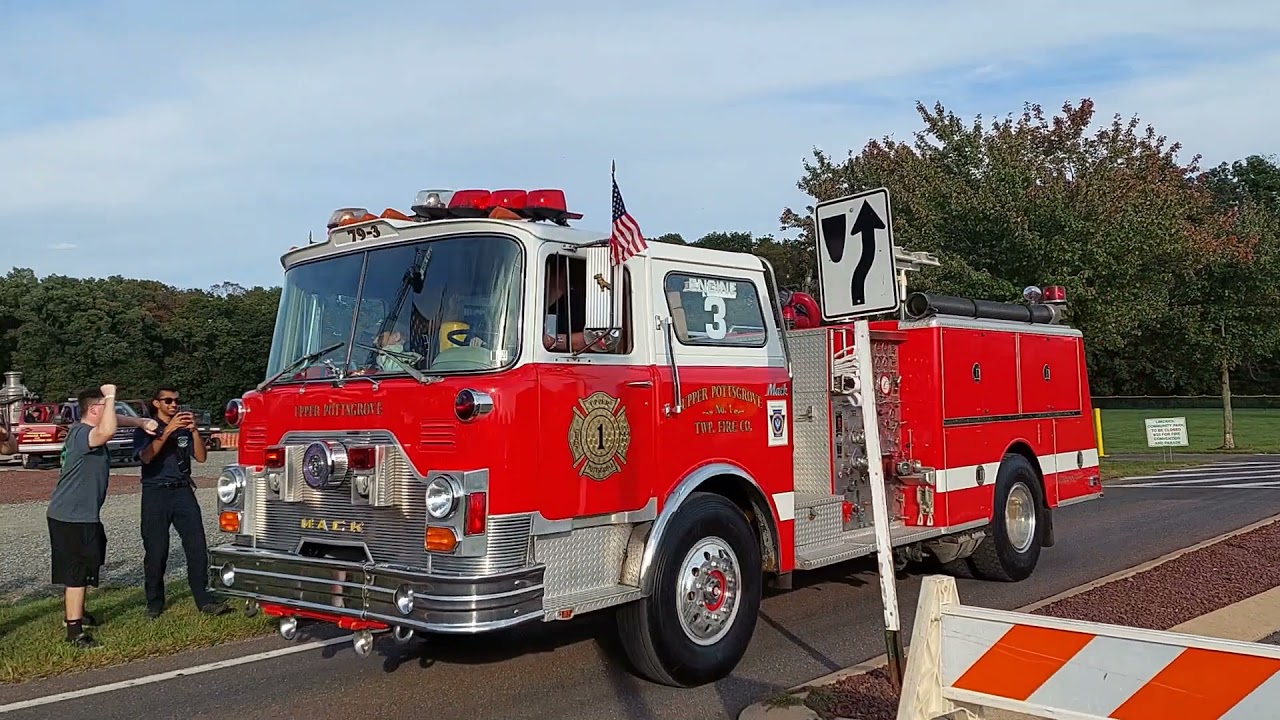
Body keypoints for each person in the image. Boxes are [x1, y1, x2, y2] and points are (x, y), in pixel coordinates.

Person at [47, 384, 159, 648]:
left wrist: (139, 421)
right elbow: (108, 428)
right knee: (76, 572)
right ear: (95, 409)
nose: (111, 411)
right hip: (71, 516)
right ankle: (74, 630)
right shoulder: (82, 434)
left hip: (82, 514)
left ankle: (78, 614)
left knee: (86, 565)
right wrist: (110, 395)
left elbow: (113, 421)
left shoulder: (87, 430)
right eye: (106, 407)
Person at [132, 385, 230, 618]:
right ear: (156, 403)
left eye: (176, 401)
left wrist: (194, 431)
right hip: (156, 492)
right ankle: (154, 603)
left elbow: (202, 457)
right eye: (167, 401)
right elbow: (145, 457)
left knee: (196, 547)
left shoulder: (184, 428)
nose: (173, 405)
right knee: (156, 551)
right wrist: (166, 432)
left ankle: (204, 599)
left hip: (182, 490)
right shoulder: (147, 428)